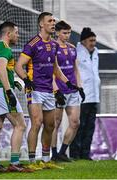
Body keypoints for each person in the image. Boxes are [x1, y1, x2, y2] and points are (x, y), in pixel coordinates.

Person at [15, 12, 80, 170]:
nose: (53, 23)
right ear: (41, 25)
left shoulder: (54, 45)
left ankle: (45, 160)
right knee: (37, 123)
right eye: (49, 21)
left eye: (53, 21)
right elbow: (18, 66)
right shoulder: (33, 43)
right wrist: (26, 80)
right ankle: (31, 162)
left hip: (49, 90)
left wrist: (70, 84)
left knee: (50, 125)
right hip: (35, 90)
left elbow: (55, 69)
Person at [0, 21, 33, 173]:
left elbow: (0, 70)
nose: (18, 35)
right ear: (9, 34)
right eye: (16, 32)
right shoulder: (6, 50)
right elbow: (1, 71)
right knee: (20, 125)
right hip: (2, 91)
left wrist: (14, 82)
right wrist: (8, 91)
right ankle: (14, 163)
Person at [51, 21, 85, 162]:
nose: (67, 35)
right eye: (64, 33)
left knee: (75, 122)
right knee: (55, 123)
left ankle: (62, 152)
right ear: (57, 33)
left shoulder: (72, 48)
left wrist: (80, 86)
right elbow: (52, 71)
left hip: (72, 91)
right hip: (59, 91)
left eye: (69, 32)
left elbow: (76, 69)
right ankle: (53, 154)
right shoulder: (52, 47)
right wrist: (56, 90)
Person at [70, 27, 100, 160]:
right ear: (83, 41)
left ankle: (85, 154)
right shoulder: (76, 52)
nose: (93, 43)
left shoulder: (96, 52)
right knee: (79, 126)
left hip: (94, 96)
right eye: (90, 40)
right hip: (82, 96)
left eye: (94, 40)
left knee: (90, 127)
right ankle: (75, 154)